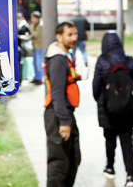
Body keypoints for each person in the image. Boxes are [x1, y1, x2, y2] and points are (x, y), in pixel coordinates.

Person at [93, 31, 133, 187]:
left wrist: (100, 101)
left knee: (109, 139)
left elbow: (96, 86)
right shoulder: (128, 60)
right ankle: (130, 175)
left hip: (108, 110)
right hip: (127, 108)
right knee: (127, 140)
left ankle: (110, 167)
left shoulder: (102, 61)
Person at [44, 21, 82, 187]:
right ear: (59, 37)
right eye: (69, 35)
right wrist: (64, 122)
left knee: (73, 159)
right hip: (58, 114)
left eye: (75, 34)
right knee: (59, 164)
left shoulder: (65, 57)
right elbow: (57, 92)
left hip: (65, 112)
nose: (74, 38)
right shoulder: (58, 60)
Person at [31, 11, 45, 85]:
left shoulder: (40, 25)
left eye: (33, 18)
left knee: (39, 63)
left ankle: (40, 78)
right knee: (35, 63)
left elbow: (36, 35)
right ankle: (36, 77)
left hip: (39, 47)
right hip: (35, 47)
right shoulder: (37, 25)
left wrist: (31, 28)